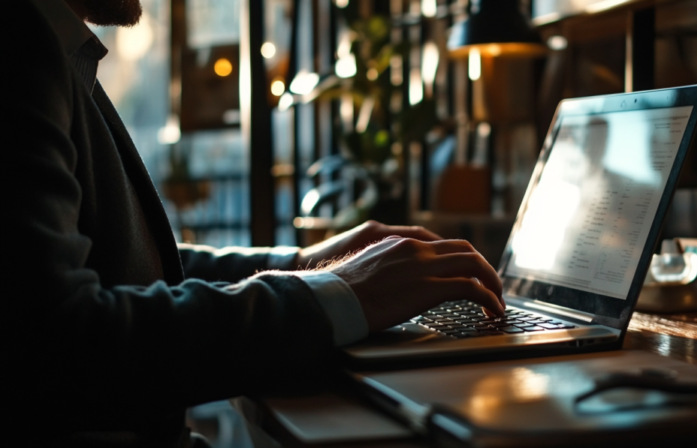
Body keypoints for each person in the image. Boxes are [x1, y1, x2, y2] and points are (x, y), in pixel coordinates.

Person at [5, 0, 505, 446]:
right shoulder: (20, 42)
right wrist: (343, 293)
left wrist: (303, 264)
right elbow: (59, 345)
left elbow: (125, 265)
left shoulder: (54, 43)